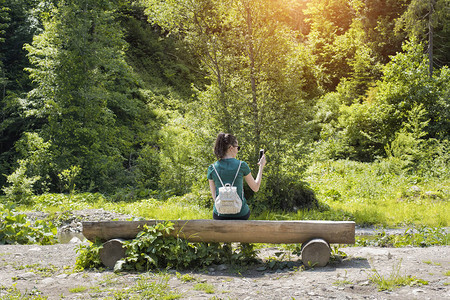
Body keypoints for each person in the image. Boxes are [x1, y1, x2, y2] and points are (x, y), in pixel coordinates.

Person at [207, 133, 266, 220]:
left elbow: (215, 197)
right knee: (245, 210)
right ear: (231, 148)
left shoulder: (212, 168)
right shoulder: (242, 165)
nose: (238, 150)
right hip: (240, 214)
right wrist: (261, 166)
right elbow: (255, 188)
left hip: (220, 214)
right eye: (237, 147)